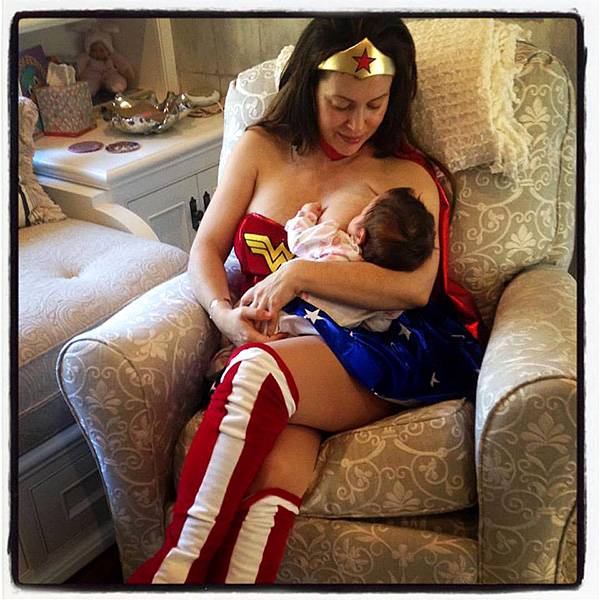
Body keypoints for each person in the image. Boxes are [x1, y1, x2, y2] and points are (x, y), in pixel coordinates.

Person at [128, 16, 484, 586]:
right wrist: (223, 314)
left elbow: (413, 288)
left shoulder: (406, 175)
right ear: (308, 86)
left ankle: (171, 575)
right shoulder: (259, 148)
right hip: (286, 346)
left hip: (374, 351)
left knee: (256, 373)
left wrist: (298, 274)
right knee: (278, 464)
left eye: (375, 105)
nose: (358, 123)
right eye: (341, 104)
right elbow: (206, 249)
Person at [272, 187, 436, 335]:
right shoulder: (386, 303)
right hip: (323, 339)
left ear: (360, 235)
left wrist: (307, 214)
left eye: (362, 212)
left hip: (281, 316)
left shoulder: (336, 242)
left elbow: (298, 241)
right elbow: (376, 326)